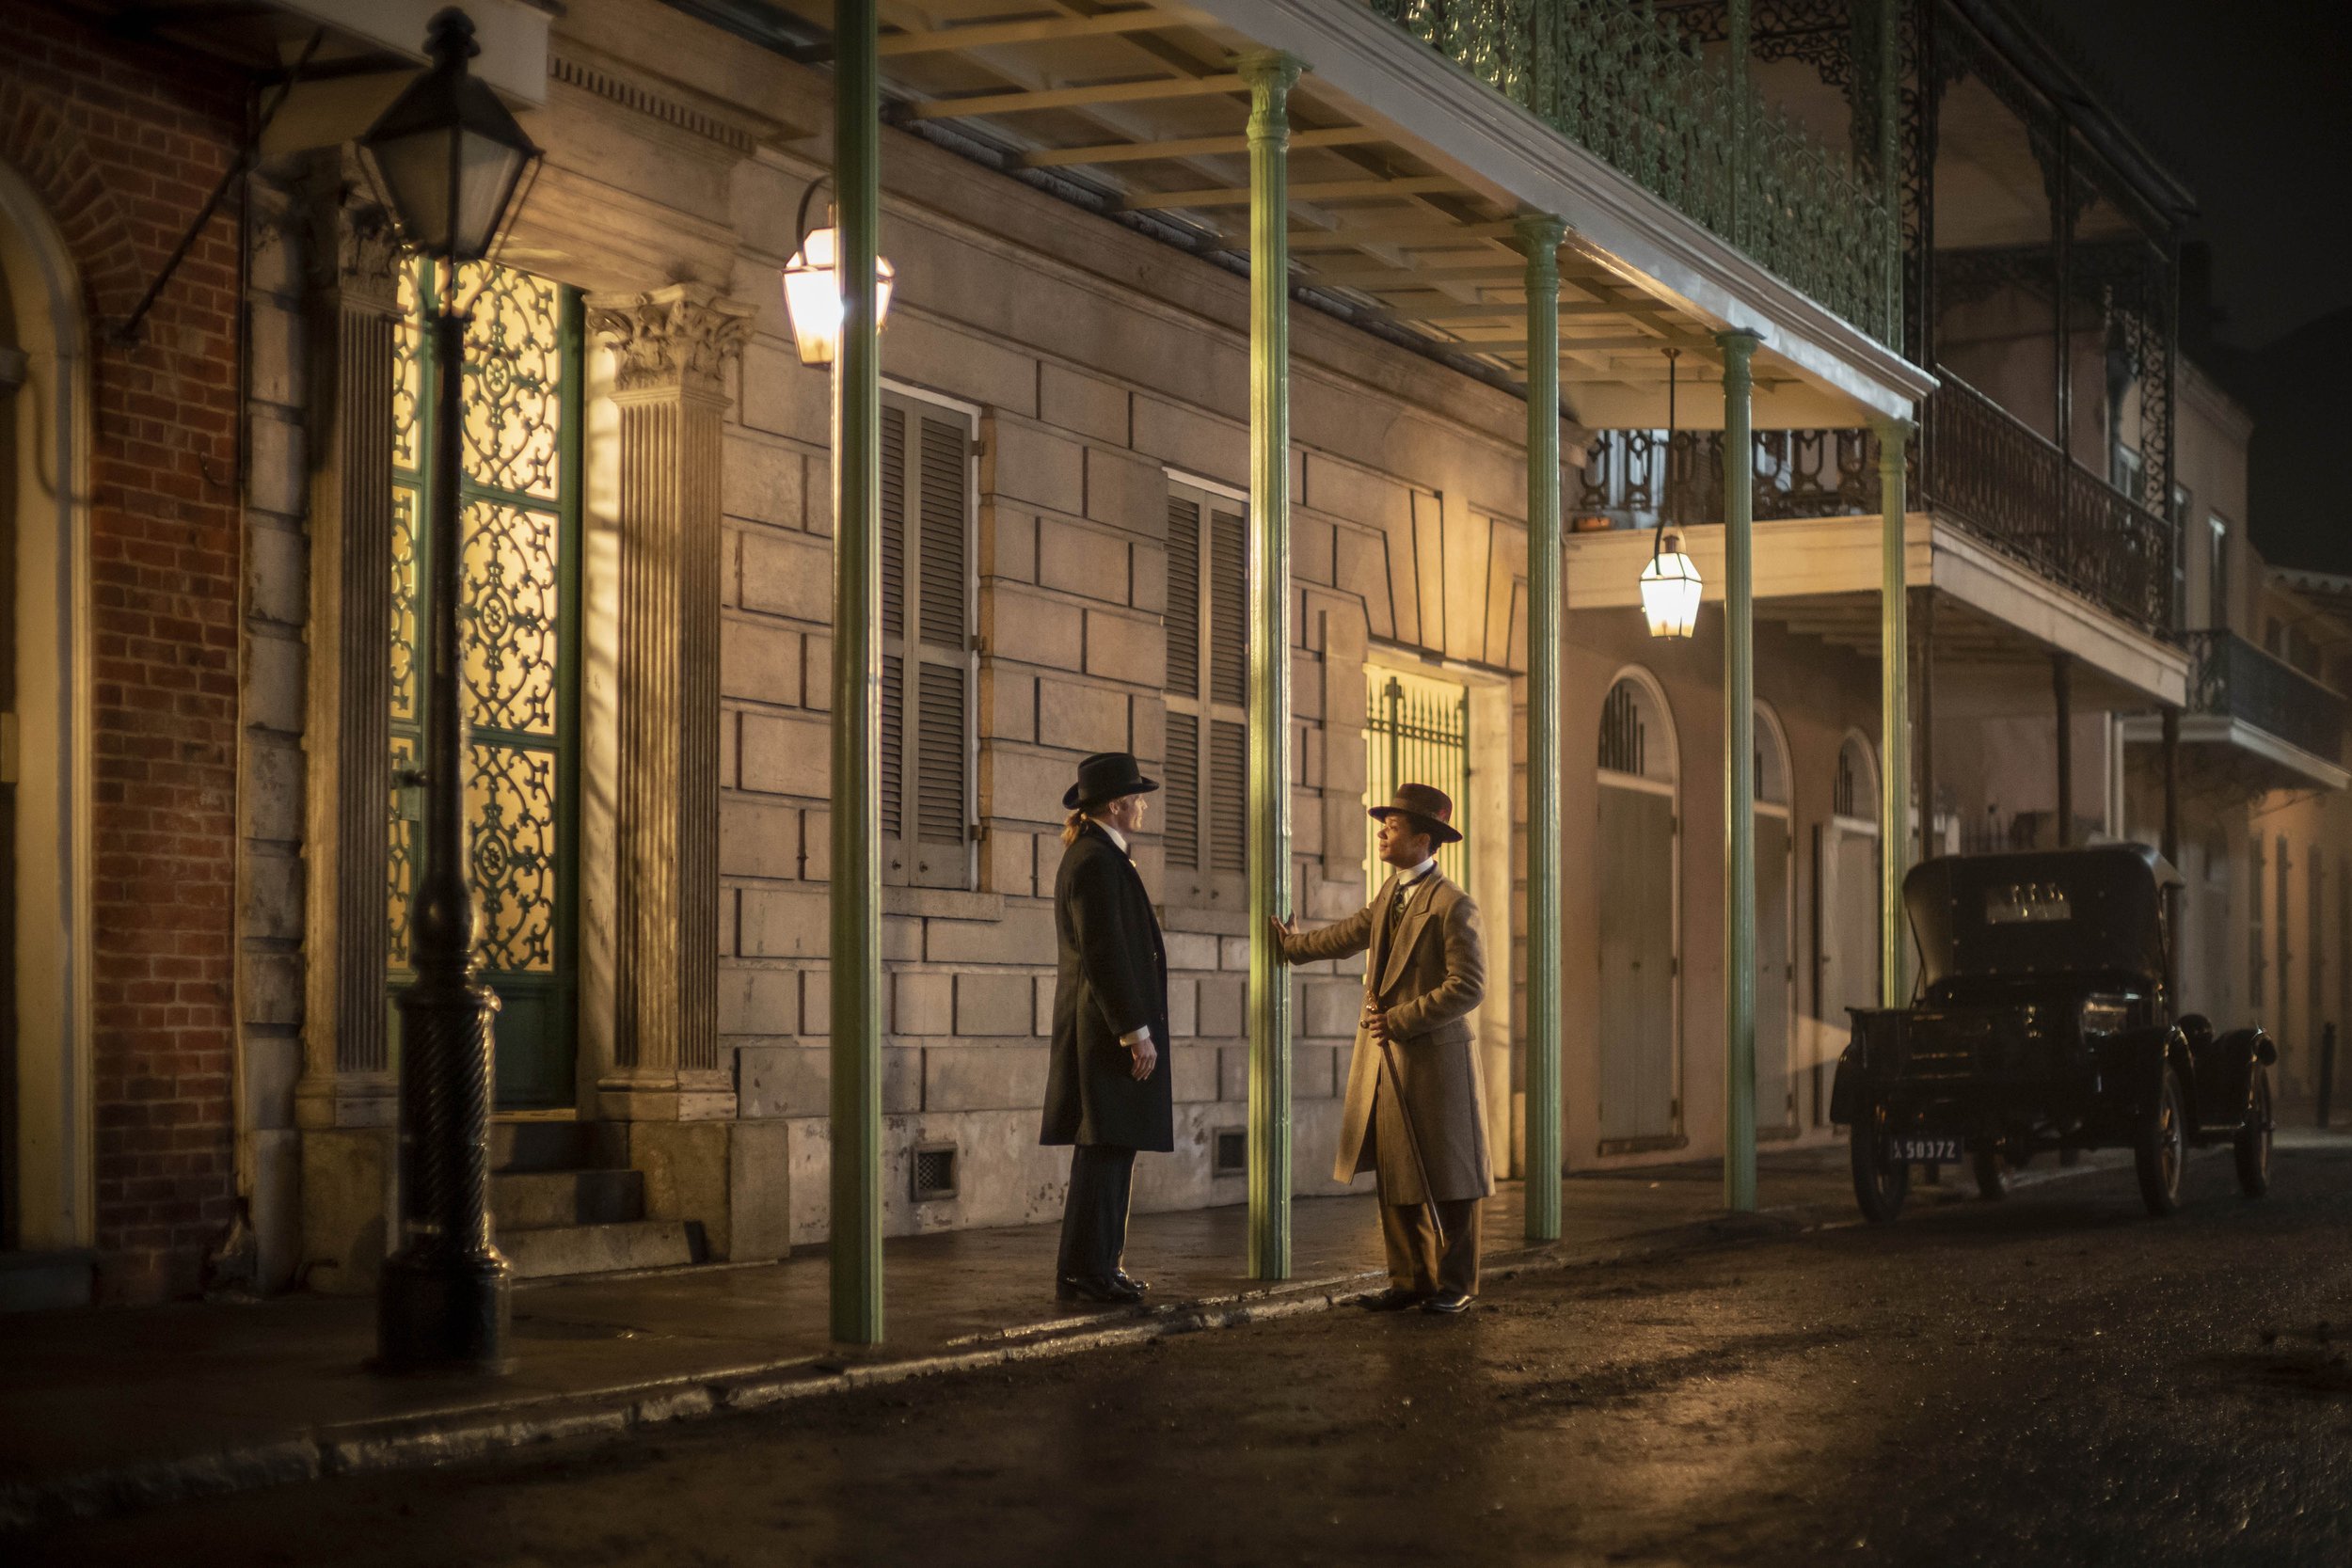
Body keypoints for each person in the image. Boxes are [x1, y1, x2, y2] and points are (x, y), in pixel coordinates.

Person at [1271, 784, 1490, 1314]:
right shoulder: (1390, 895)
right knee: (1397, 1169)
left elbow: (1469, 986)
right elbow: (1347, 935)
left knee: (1453, 1178)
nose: (1381, 833)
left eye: (1391, 827)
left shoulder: (1453, 905)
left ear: (1423, 838)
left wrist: (1400, 1019)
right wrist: (1292, 947)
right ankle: (1411, 1280)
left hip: (1437, 1060)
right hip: (1390, 1056)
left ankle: (1457, 1285)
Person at [1040, 752, 1172, 1305]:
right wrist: (1134, 1031)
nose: (1143, 805)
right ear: (1116, 806)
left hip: (1103, 1031)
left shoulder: (1098, 855)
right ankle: (1087, 1271)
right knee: (1104, 1150)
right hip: (1105, 1034)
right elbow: (1104, 954)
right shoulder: (1096, 860)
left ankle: (1097, 1267)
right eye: (1137, 798)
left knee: (1112, 1148)